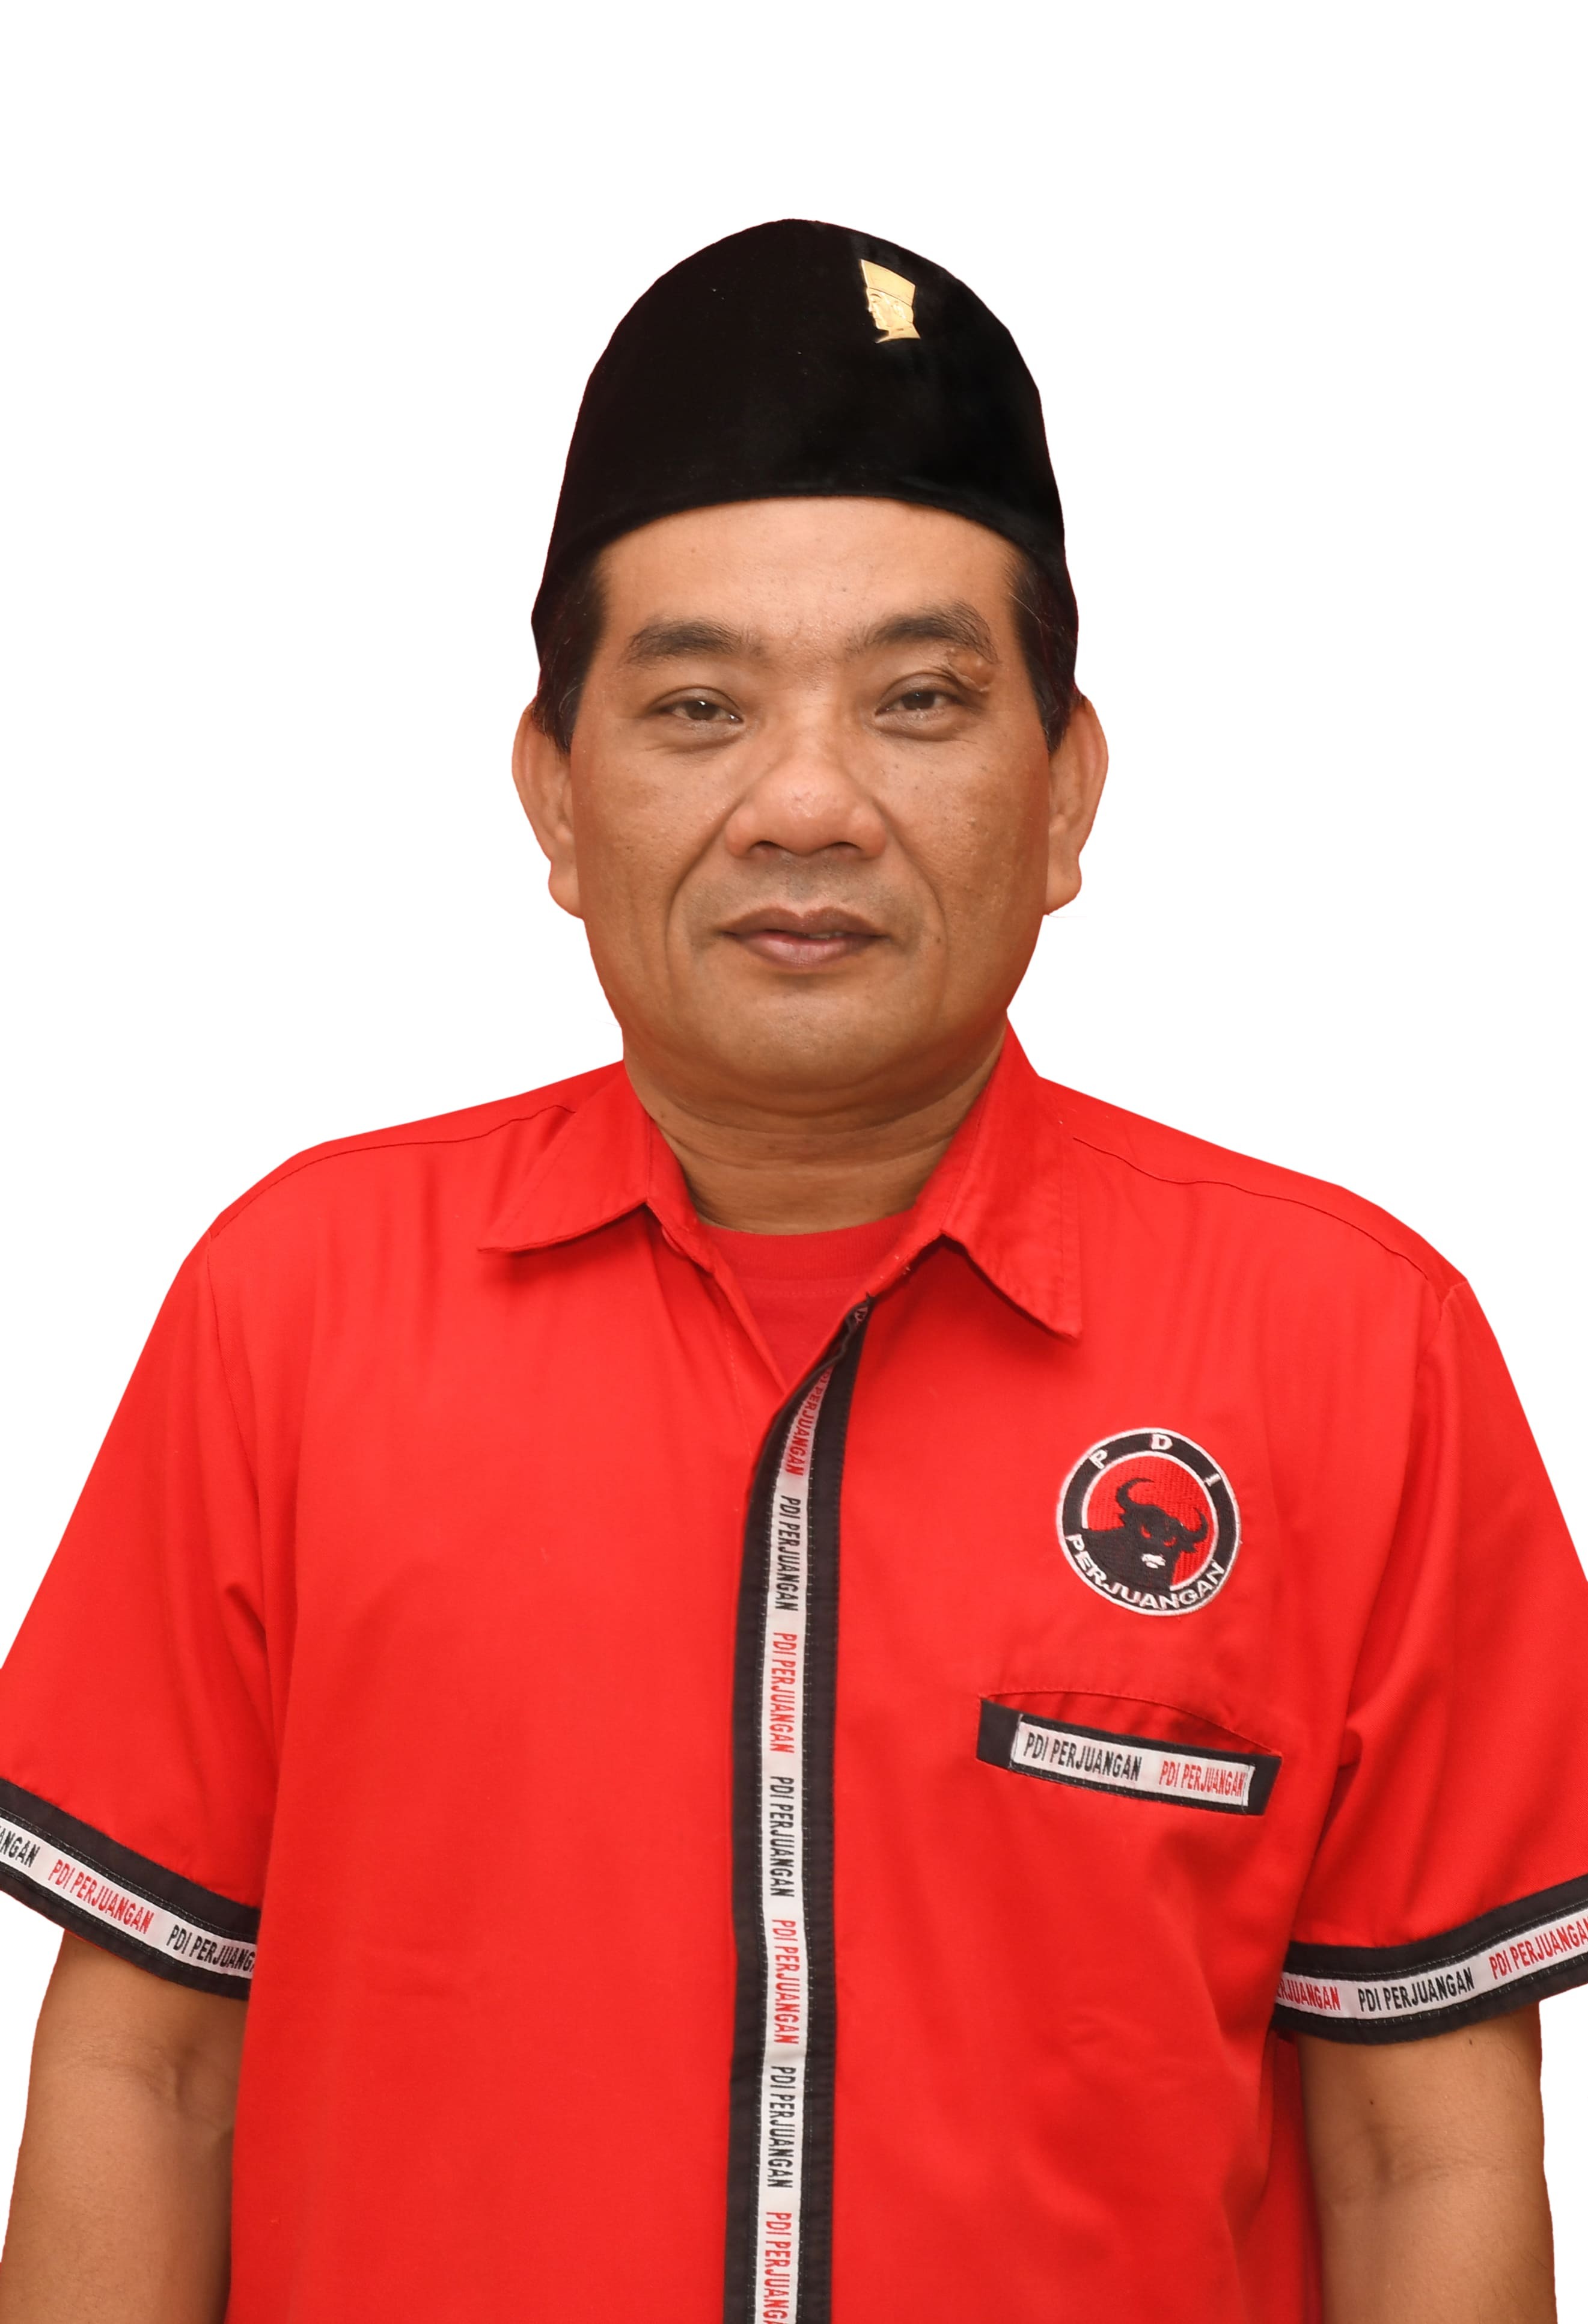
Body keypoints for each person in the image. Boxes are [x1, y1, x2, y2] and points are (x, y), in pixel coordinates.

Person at [0, 219, 1583, 2324]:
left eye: (919, 701)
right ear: (556, 796)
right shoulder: (293, 1306)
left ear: (1065, 790)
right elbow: (148, 2070)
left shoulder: (1351, 1348)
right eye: (697, 705)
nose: (807, 802)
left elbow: (1420, 2148)